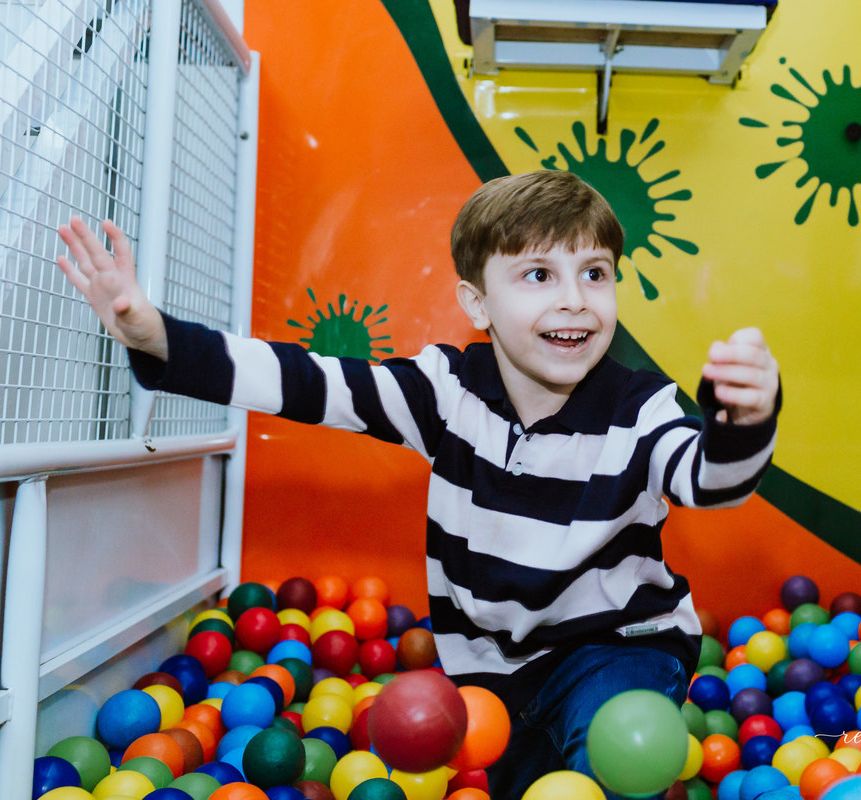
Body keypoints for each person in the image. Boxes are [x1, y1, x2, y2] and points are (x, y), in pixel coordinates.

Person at [57, 170, 780, 798]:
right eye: (538, 275)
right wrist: (158, 340)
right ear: (476, 305)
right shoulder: (447, 393)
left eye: (595, 273)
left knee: (616, 747)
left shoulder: (639, 408)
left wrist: (741, 422)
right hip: (490, 671)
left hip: (615, 643)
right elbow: (309, 382)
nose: (574, 301)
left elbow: (705, 479)